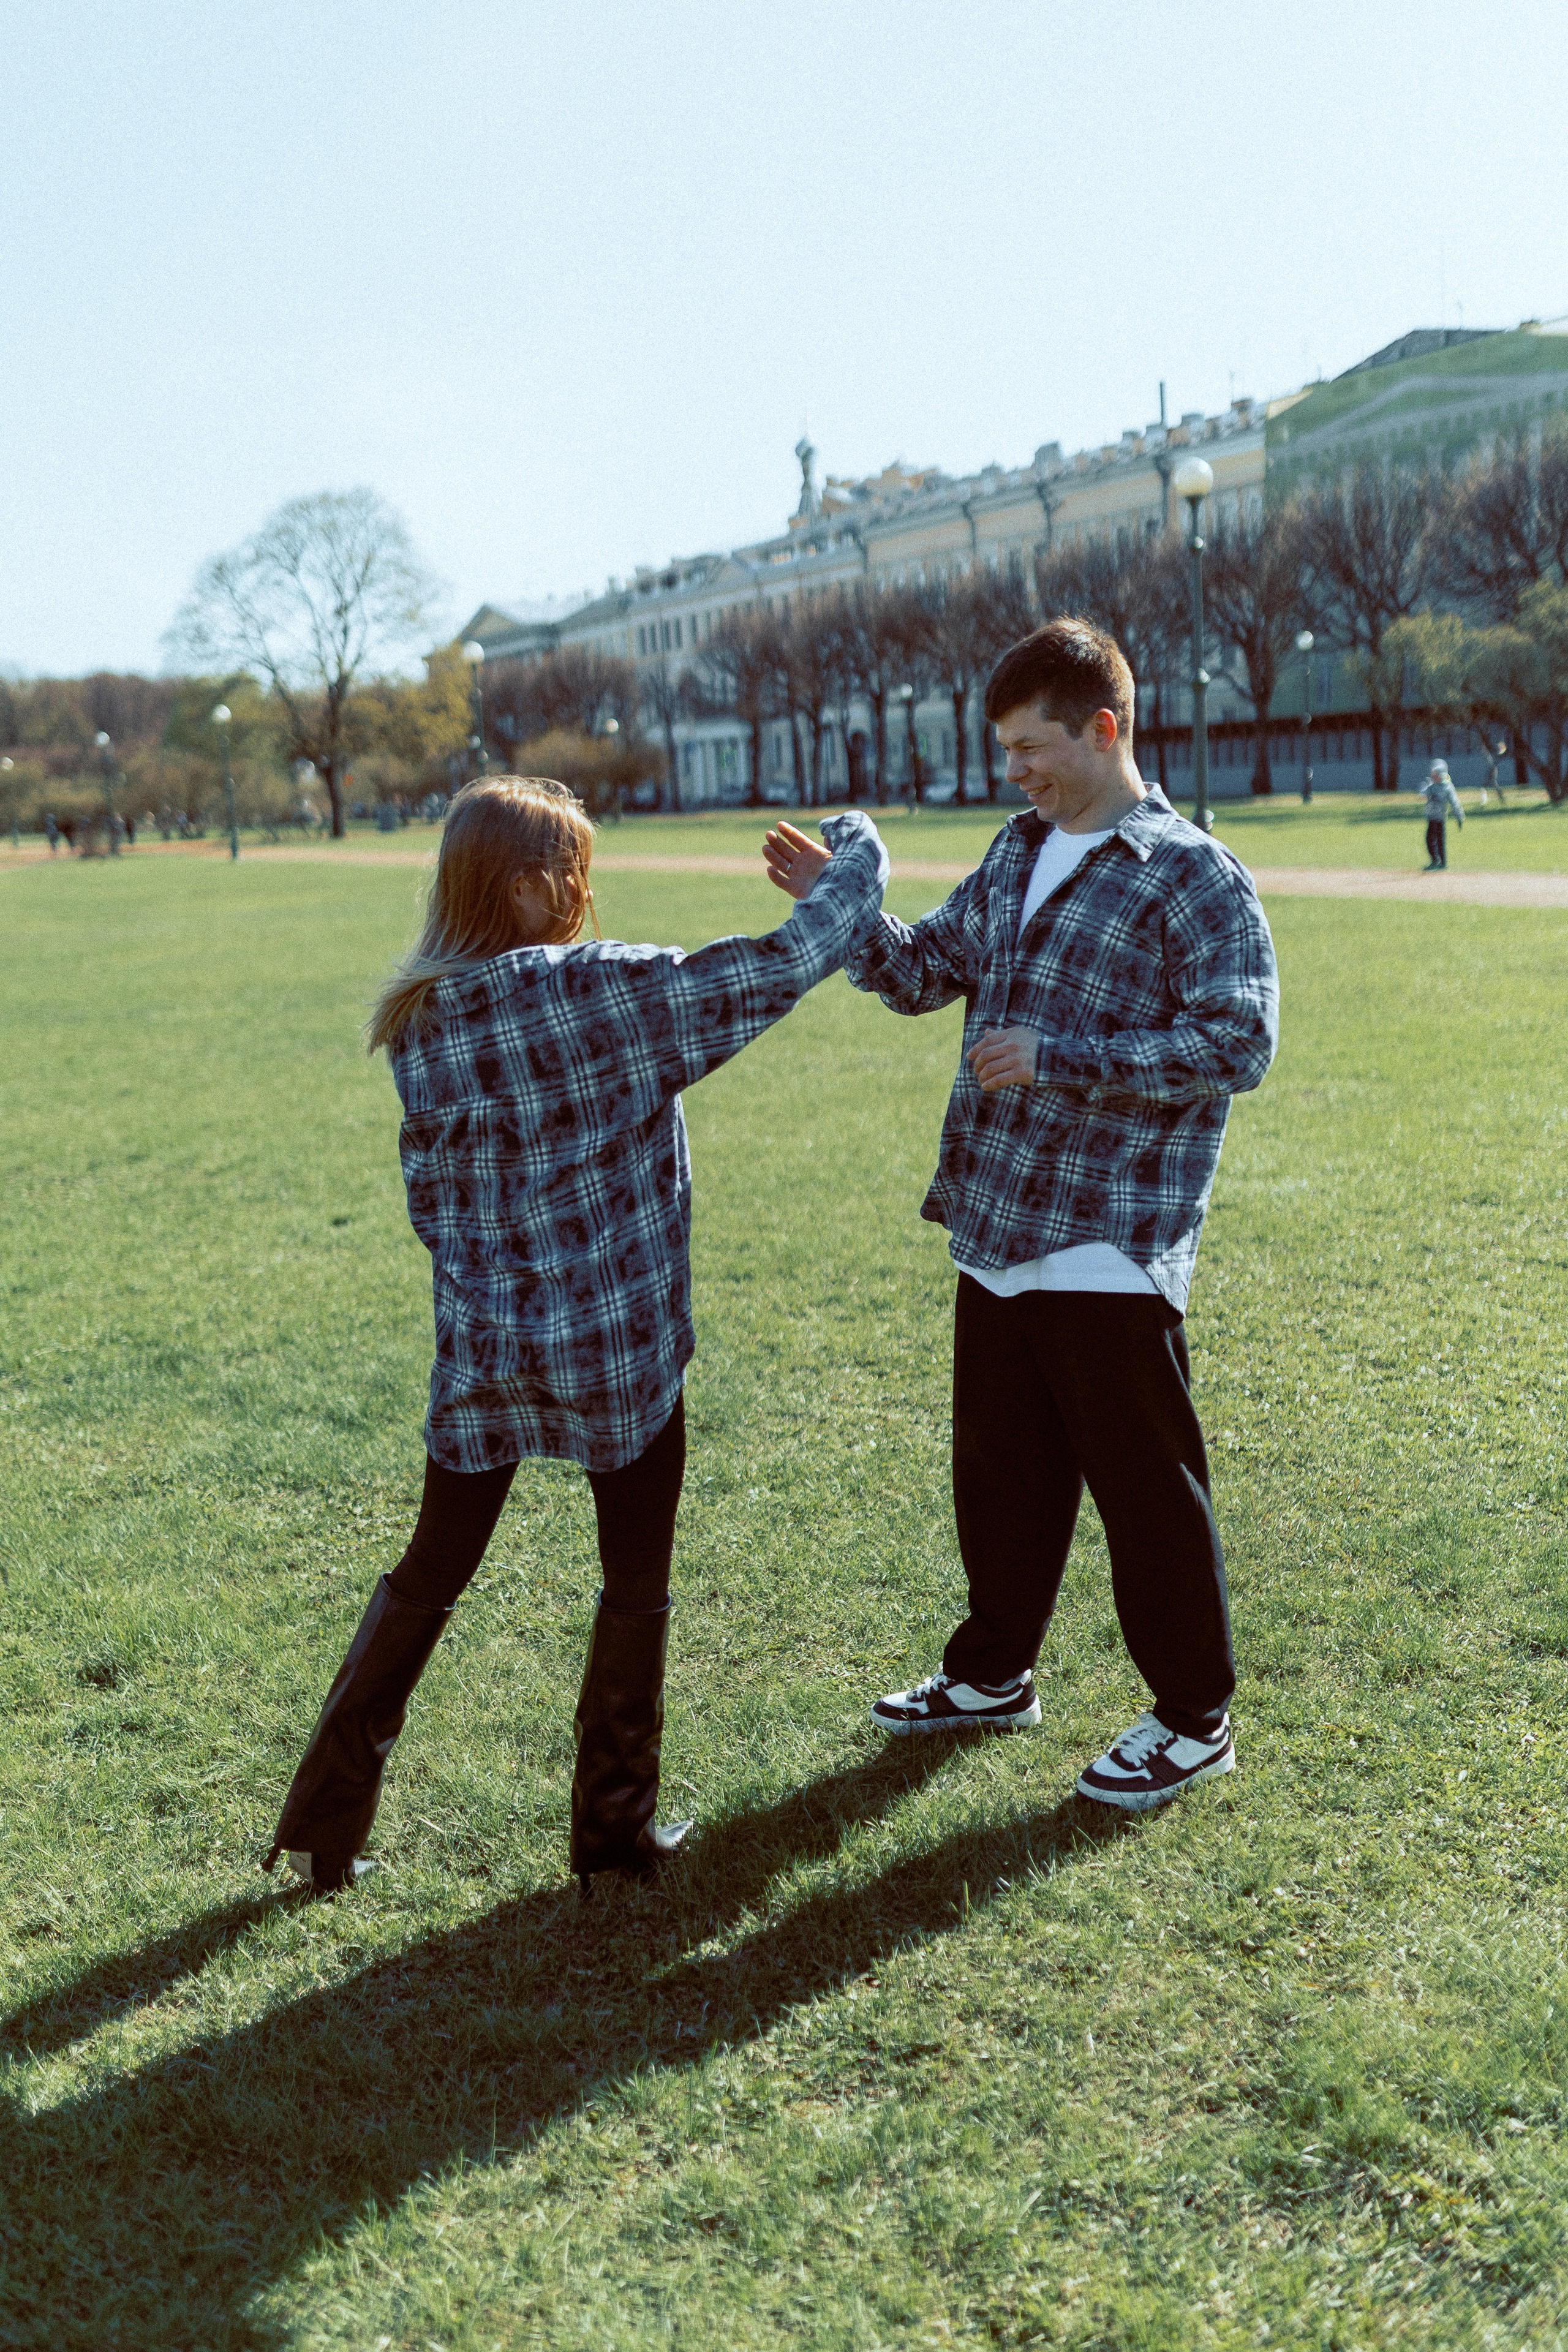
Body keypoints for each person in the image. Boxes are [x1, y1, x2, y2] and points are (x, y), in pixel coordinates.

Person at [264, 776, 888, 1894]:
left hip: (484, 1349)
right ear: (529, 886)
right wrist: (859, 853)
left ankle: (325, 1822)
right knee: (634, 1573)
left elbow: (428, 1201)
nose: (586, 892)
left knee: (432, 1568)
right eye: (575, 872)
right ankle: (612, 1835)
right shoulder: (594, 992)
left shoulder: (422, 1017)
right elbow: (785, 964)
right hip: (616, 1344)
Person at [812, 617, 1278, 1812]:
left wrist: (1062, 1054)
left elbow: (1239, 1039)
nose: (1012, 769)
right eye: (1004, 749)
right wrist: (839, 910)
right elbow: (920, 975)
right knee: (1000, 1478)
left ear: (1103, 728)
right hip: (996, 1224)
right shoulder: (1017, 850)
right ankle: (991, 1676)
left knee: (1143, 1492)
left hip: (1108, 1240)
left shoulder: (1188, 871)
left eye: (1031, 746)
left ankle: (1191, 1719)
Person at [1420, 760, 1464, 868]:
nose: (1434, 777)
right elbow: (1422, 794)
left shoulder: (1448, 787)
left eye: (1436, 775)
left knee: (1440, 841)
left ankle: (1443, 863)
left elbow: (1455, 803)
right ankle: (1435, 860)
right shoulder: (1431, 785)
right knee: (1429, 840)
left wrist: (1460, 817)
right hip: (1431, 818)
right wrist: (1425, 785)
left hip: (1440, 819)